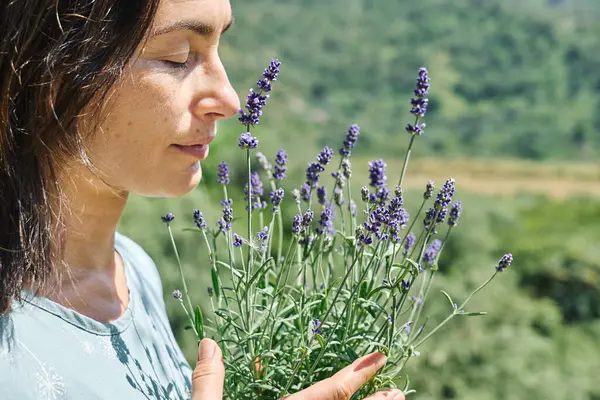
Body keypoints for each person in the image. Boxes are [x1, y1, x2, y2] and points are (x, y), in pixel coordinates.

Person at [0, 0, 406, 399]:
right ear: (54, 77)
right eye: (178, 57)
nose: (229, 99)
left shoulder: (134, 271)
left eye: (218, 48)